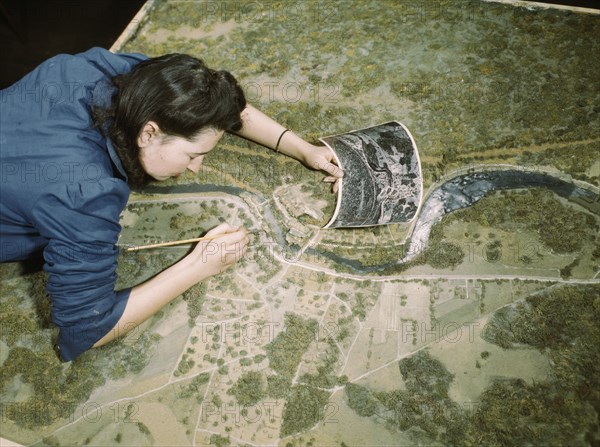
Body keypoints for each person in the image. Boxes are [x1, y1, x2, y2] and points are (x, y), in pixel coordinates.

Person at [0, 47, 343, 361]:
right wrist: (200, 265)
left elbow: (215, 106)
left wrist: (303, 150)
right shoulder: (85, 196)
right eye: (194, 155)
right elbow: (90, 330)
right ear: (149, 133)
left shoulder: (101, 74)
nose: (196, 168)